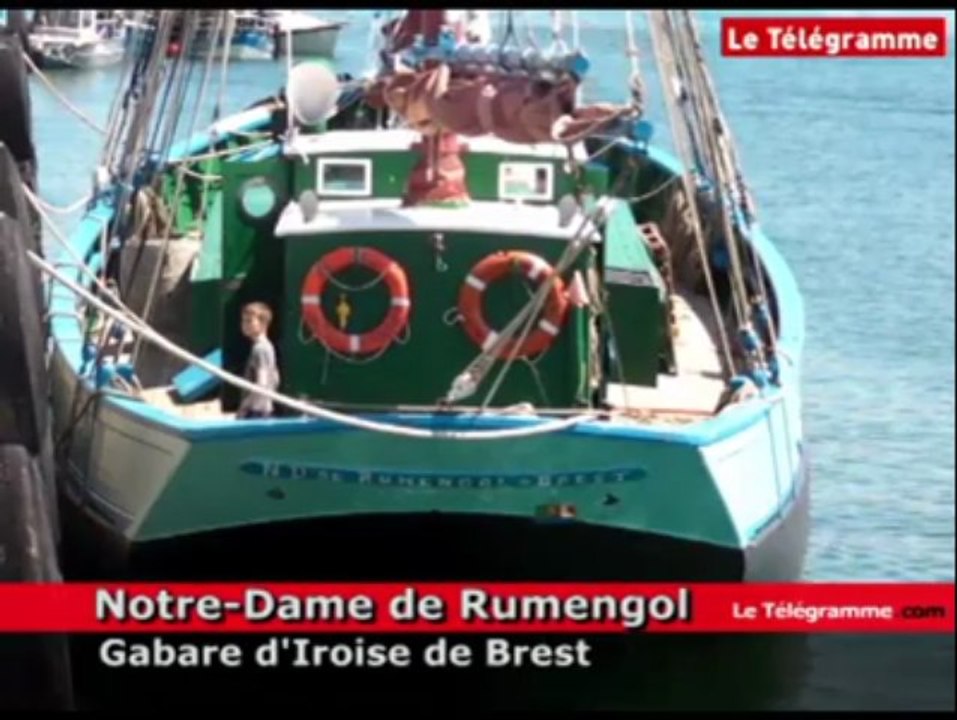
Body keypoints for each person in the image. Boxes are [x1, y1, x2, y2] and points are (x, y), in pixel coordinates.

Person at [237, 301, 280, 419]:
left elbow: (262, 382)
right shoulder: (267, 347)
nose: (244, 325)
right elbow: (276, 378)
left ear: (263, 324)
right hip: (263, 408)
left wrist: (245, 406)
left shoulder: (260, 348)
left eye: (249, 321)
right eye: (243, 321)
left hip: (256, 411)